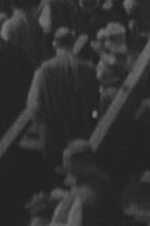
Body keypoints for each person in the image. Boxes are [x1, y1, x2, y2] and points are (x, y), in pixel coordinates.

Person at [29, 28, 99, 169]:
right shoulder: (88, 69)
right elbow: (95, 104)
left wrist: (42, 128)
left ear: (54, 44)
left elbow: (34, 106)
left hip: (53, 138)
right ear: (72, 43)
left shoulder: (44, 71)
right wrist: (91, 121)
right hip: (81, 135)